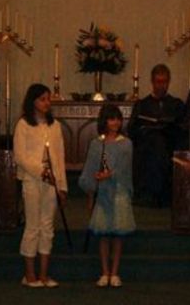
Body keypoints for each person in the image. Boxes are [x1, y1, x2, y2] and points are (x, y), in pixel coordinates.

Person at [13, 83, 67, 288]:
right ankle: (30, 274)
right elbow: (20, 157)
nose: (47, 103)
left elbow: (60, 157)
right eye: (42, 99)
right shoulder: (24, 125)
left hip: (51, 182)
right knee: (33, 226)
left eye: (48, 99)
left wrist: (61, 185)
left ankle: (44, 274)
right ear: (33, 101)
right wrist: (41, 171)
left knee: (47, 226)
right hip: (32, 180)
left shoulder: (55, 126)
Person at [79, 104, 136, 288]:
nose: (115, 122)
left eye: (118, 119)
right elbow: (90, 169)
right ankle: (104, 272)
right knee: (103, 235)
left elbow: (125, 169)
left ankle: (115, 272)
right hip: (102, 193)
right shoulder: (97, 143)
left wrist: (109, 175)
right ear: (104, 121)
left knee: (118, 235)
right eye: (111, 119)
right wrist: (92, 185)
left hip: (119, 192)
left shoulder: (126, 143)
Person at [127, 64, 185, 207]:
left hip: (169, 143)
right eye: (158, 82)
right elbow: (132, 129)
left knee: (160, 145)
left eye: (164, 82)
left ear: (168, 82)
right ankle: (156, 194)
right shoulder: (142, 104)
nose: (161, 86)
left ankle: (156, 194)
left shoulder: (176, 104)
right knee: (154, 144)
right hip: (146, 145)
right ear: (152, 82)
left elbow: (182, 127)